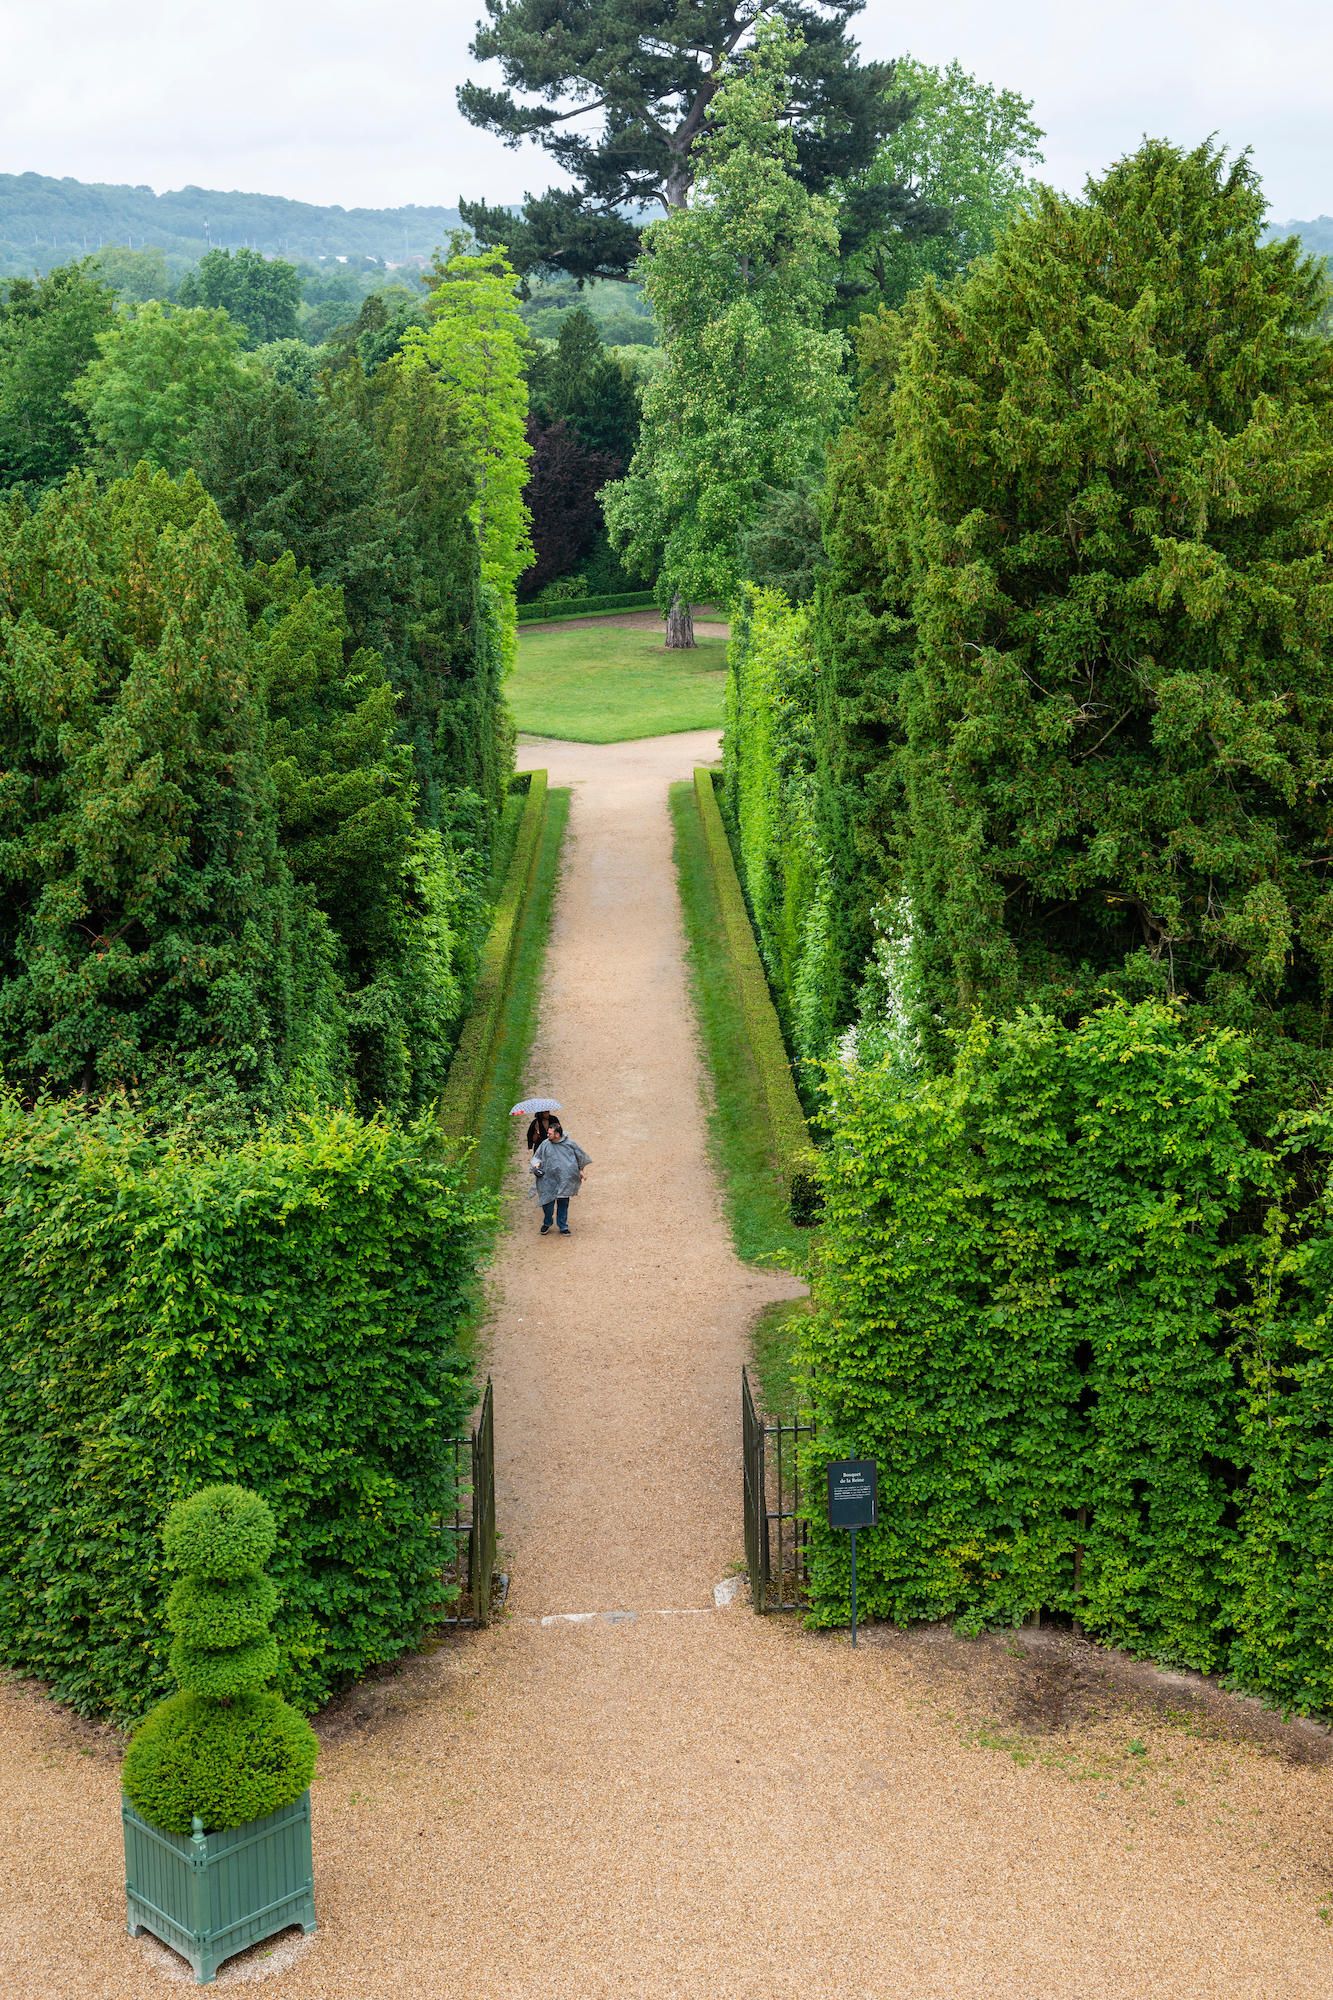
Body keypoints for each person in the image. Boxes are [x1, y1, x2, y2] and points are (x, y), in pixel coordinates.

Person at [530, 1117, 590, 1236]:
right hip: (548, 1180)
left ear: (557, 1134)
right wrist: (536, 1167)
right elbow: (537, 1157)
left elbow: (580, 1157)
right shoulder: (545, 1144)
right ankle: (547, 1222)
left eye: (549, 1133)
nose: (547, 1135)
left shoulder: (570, 1144)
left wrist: (581, 1170)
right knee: (547, 1204)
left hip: (565, 1180)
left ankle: (563, 1226)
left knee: (563, 1203)